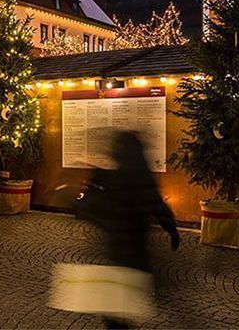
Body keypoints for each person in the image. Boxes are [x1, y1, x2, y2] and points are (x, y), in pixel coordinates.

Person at [77, 131, 180, 329]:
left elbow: (90, 203)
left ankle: (116, 321)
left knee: (118, 298)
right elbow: (156, 202)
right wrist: (171, 228)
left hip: (117, 243)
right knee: (126, 292)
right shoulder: (141, 174)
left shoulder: (113, 174)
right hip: (136, 242)